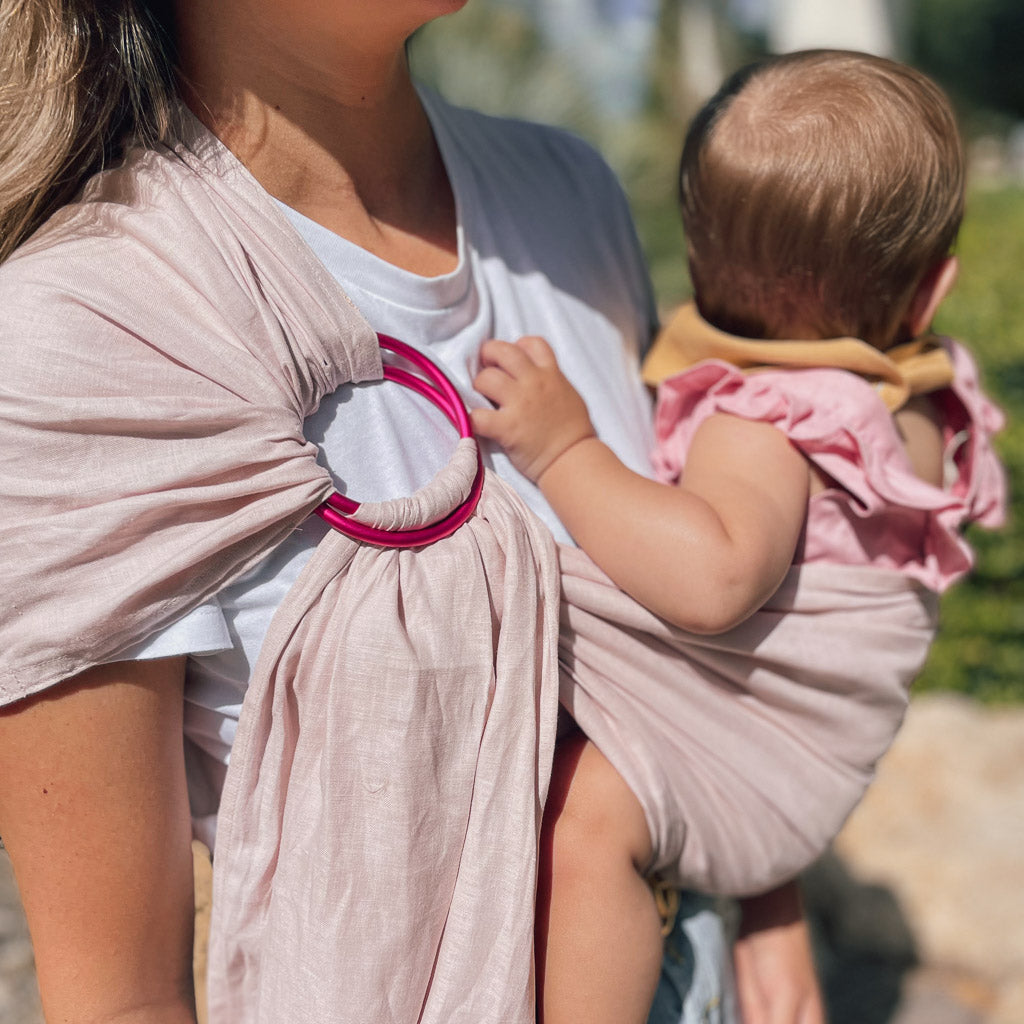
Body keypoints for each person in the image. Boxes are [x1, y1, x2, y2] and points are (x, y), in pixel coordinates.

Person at [0, 3, 822, 1022]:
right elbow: (120, 1001)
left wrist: (768, 894)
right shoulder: (84, 331)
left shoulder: (567, 202)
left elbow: (689, 607)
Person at [472, 49, 1006, 1024]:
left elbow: (716, 578)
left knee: (588, 828)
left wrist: (565, 447)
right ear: (929, 293)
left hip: (750, 767)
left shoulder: (766, 419)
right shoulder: (919, 397)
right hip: (805, 782)